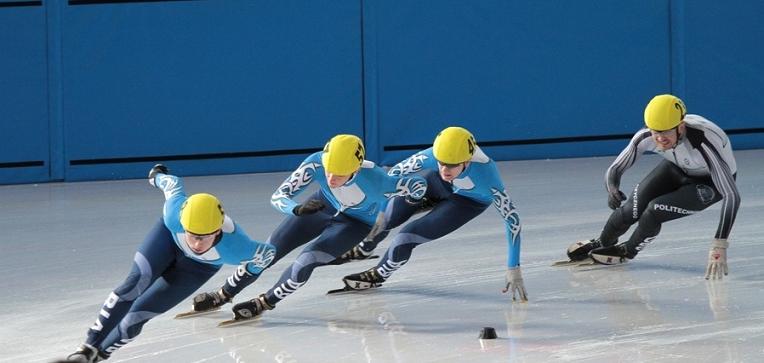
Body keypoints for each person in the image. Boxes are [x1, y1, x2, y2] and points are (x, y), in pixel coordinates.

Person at [192, 134, 428, 321]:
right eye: (329, 170)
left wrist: (413, 203)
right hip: (318, 208)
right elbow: (279, 195)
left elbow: (417, 185)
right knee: (267, 251)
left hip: (354, 224)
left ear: (356, 170)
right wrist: (296, 209)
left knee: (306, 261)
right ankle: (223, 294)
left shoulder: (379, 181)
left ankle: (266, 301)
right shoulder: (317, 161)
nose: (332, 177)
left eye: (341, 173)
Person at [64, 165, 276, 362]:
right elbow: (172, 184)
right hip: (167, 240)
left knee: (137, 316)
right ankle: (87, 348)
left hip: (198, 268)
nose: (196, 243)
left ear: (218, 230)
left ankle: (98, 356)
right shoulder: (174, 214)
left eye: (204, 237)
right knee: (133, 285)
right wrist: (156, 175)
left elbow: (267, 254)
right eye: (192, 234)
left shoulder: (238, 248)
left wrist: (236, 284)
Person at [339, 126, 527, 301]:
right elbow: (393, 175)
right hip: (437, 184)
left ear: (467, 161)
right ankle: (366, 247)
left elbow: (512, 220)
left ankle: (378, 274)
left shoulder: (486, 176)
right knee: (389, 214)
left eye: (451, 165)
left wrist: (513, 267)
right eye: (441, 163)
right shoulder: (434, 157)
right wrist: (381, 211)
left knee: (405, 237)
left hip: (468, 201)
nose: (445, 169)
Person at [566, 94, 740, 279]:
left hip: (710, 182)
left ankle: (628, 250)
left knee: (654, 211)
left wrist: (720, 243)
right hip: (677, 168)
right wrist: (612, 188)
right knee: (631, 209)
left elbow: (732, 195)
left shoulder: (703, 141)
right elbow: (616, 168)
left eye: (665, 132)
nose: (659, 139)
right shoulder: (647, 136)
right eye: (655, 132)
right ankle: (603, 241)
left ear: (681, 127)